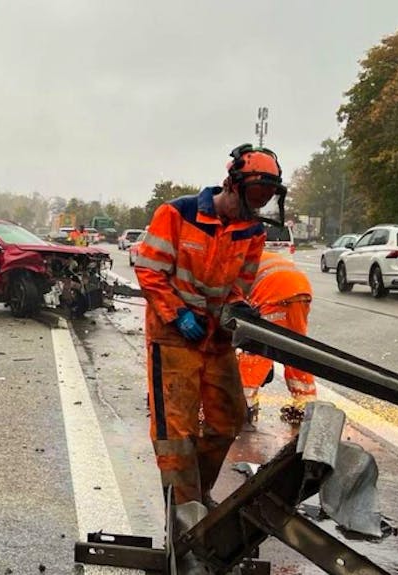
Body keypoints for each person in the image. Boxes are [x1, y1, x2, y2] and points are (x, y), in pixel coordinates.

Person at [134, 143, 286, 506]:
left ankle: (197, 493)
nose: (255, 208)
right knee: (176, 431)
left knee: (229, 418)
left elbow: (239, 284)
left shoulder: (252, 231)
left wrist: (238, 309)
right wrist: (177, 313)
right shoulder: (177, 214)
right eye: (253, 197)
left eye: (264, 200)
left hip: (215, 337)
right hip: (174, 336)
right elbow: (150, 271)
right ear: (231, 185)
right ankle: (184, 511)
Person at [238, 251, 315, 425]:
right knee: (295, 349)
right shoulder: (257, 255)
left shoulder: (232, 264)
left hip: (274, 295)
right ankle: (305, 402)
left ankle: (244, 403)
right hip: (300, 292)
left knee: (258, 350)